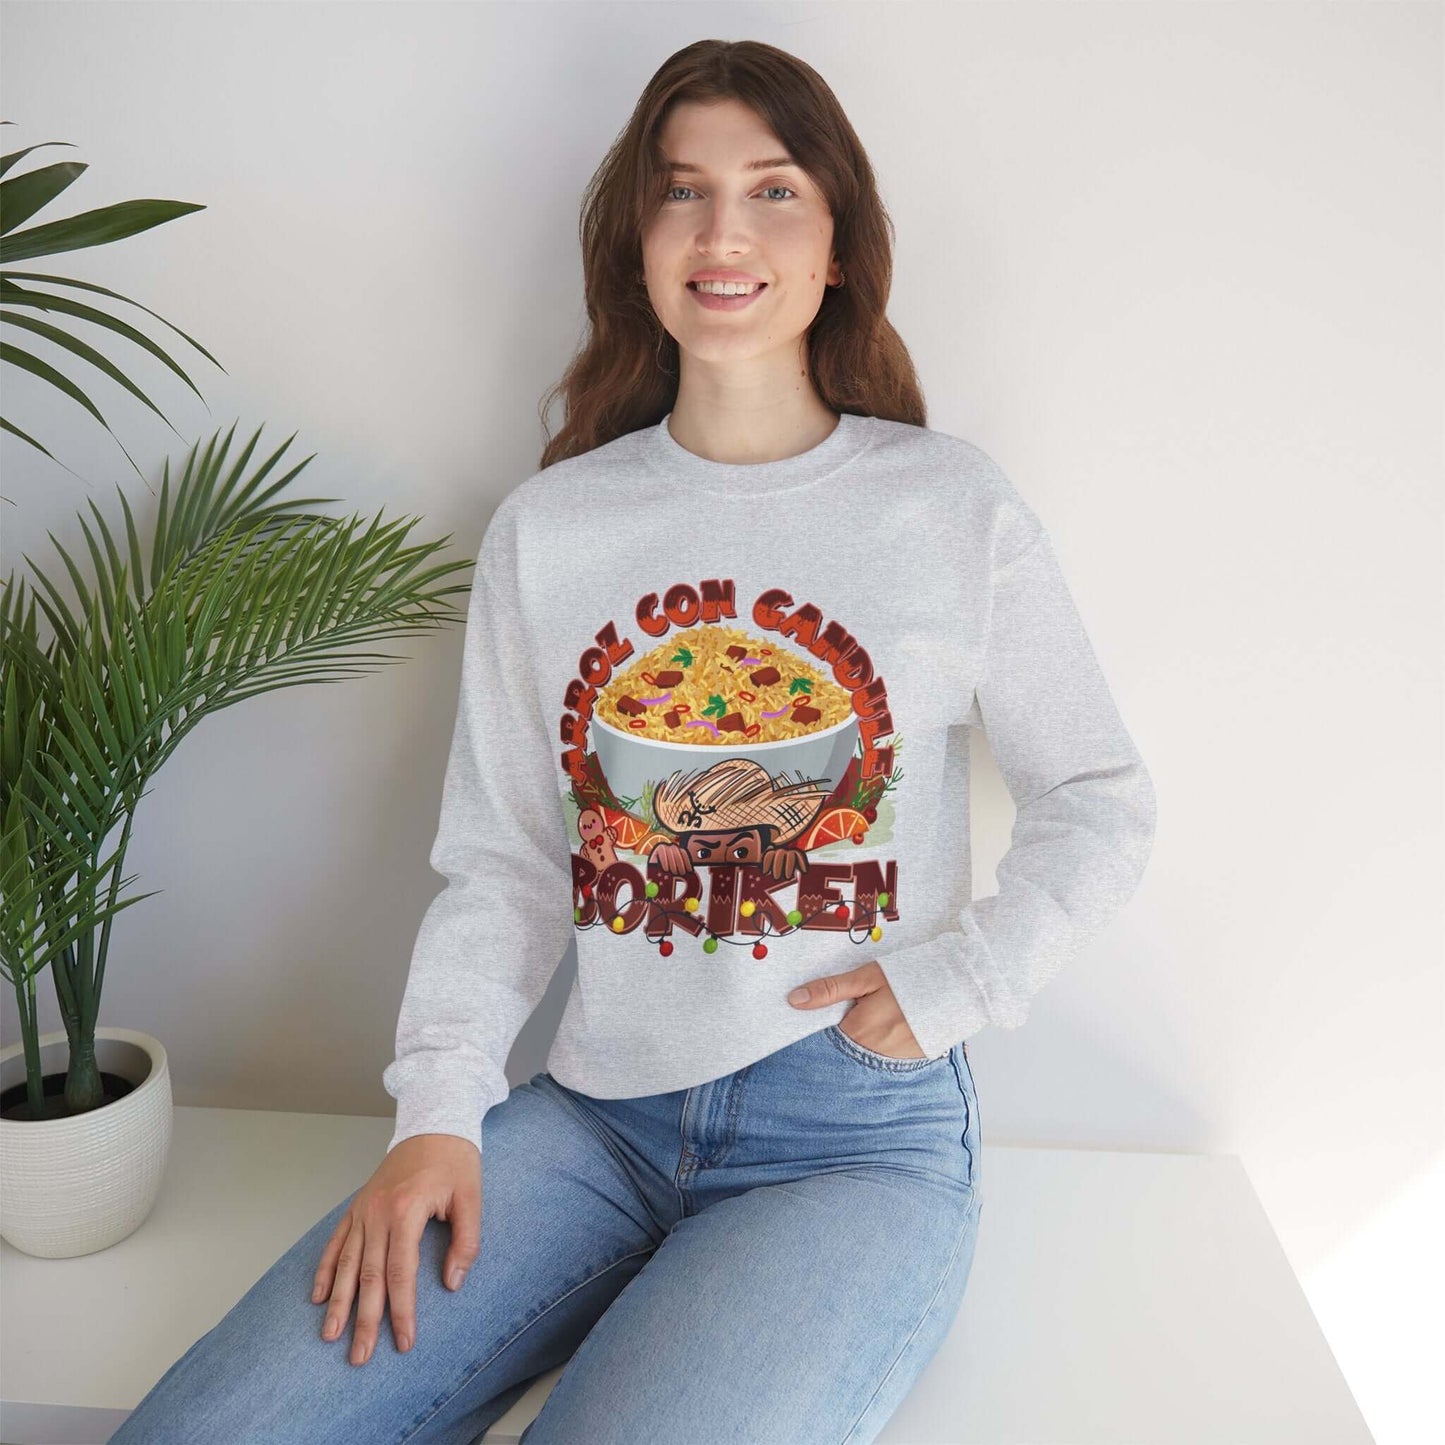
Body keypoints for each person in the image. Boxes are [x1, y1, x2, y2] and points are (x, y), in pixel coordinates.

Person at [110, 38, 1156, 1445]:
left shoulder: (945, 508)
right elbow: (504, 866)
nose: (723, 232)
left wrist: (965, 976)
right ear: (638, 241)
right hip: (593, 1117)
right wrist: (438, 1110)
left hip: (849, 1139)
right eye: (682, 193)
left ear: (837, 242)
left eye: (773, 191)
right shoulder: (556, 528)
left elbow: (1098, 793)